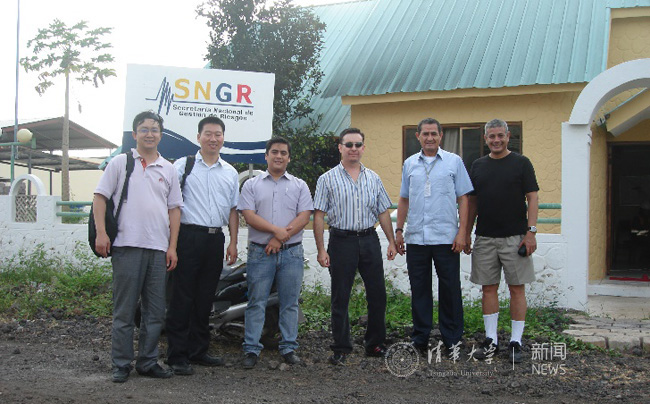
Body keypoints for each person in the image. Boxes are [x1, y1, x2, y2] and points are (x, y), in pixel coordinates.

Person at [93, 111, 183, 383]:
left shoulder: (168, 169)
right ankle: (121, 363)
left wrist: (172, 247)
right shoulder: (121, 162)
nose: (149, 134)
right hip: (126, 246)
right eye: (144, 129)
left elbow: (174, 210)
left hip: (158, 250)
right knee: (124, 310)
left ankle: (147, 361)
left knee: (154, 312)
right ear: (134, 134)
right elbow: (100, 198)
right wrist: (101, 233)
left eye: (154, 129)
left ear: (161, 135)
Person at [313, 128, 397, 365]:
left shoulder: (374, 178)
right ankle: (341, 347)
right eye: (348, 145)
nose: (353, 149)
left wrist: (391, 241)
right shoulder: (327, 179)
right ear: (340, 147)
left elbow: (383, 212)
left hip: (369, 239)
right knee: (340, 296)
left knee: (377, 294)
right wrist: (321, 249)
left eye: (358, 145)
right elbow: (318, 215)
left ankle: (375, 344)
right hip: (341, 241)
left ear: (363, 148)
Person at [165, 116, 239, 376]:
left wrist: (233, 242)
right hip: (187, 237)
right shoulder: (182, 166)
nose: (213, 139)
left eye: (218, 134)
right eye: (208, 134)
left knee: (205, 297)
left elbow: (233, 210)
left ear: (223, 138)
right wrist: (171, 244)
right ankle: (177, 355)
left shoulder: (230, 172)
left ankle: (198, 350)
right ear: (198, 137)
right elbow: (170, 204)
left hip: (215, 240)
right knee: (182, 296)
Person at [395, 117, 473, 354]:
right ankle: (420, 338)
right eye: (425, 134)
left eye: (434, 134)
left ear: (441, 136)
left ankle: (452, 340)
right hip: (416, 238)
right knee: (419, 290)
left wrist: (462, 232)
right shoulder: (409, 163)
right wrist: (399, 231)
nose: (430, 138)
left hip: (446, 238)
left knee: (450, 290)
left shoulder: (454, 162)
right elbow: (404, 199)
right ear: (417, 136)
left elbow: (464, 198)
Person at [466, 118, 539, 363]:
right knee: (488, 288)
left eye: (500, 136)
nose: (496, 140)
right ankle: (491, 340)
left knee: (517, 288)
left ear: (508, 136)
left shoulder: (521, 163)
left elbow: (532, 197)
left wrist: (531, 232)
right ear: (485, 139)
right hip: (485, 237)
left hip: (516, 237)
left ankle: (516, 341)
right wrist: (466, 233)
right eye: (492, 136)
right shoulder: (477, 166)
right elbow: (472, 202)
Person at [238, 137, 313, 369]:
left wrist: (280, 238)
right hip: (260, 252)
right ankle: (251, 349)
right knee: (256, 302)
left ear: (289, 158)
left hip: (292, 253)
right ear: (266, 156)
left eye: (283, 153)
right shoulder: (252, 185)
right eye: (274, 152)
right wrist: (275, 232)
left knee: (290, 302)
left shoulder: (300, 185)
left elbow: (304, 216)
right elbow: (249, 216)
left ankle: (289, 347)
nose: (278, 156)